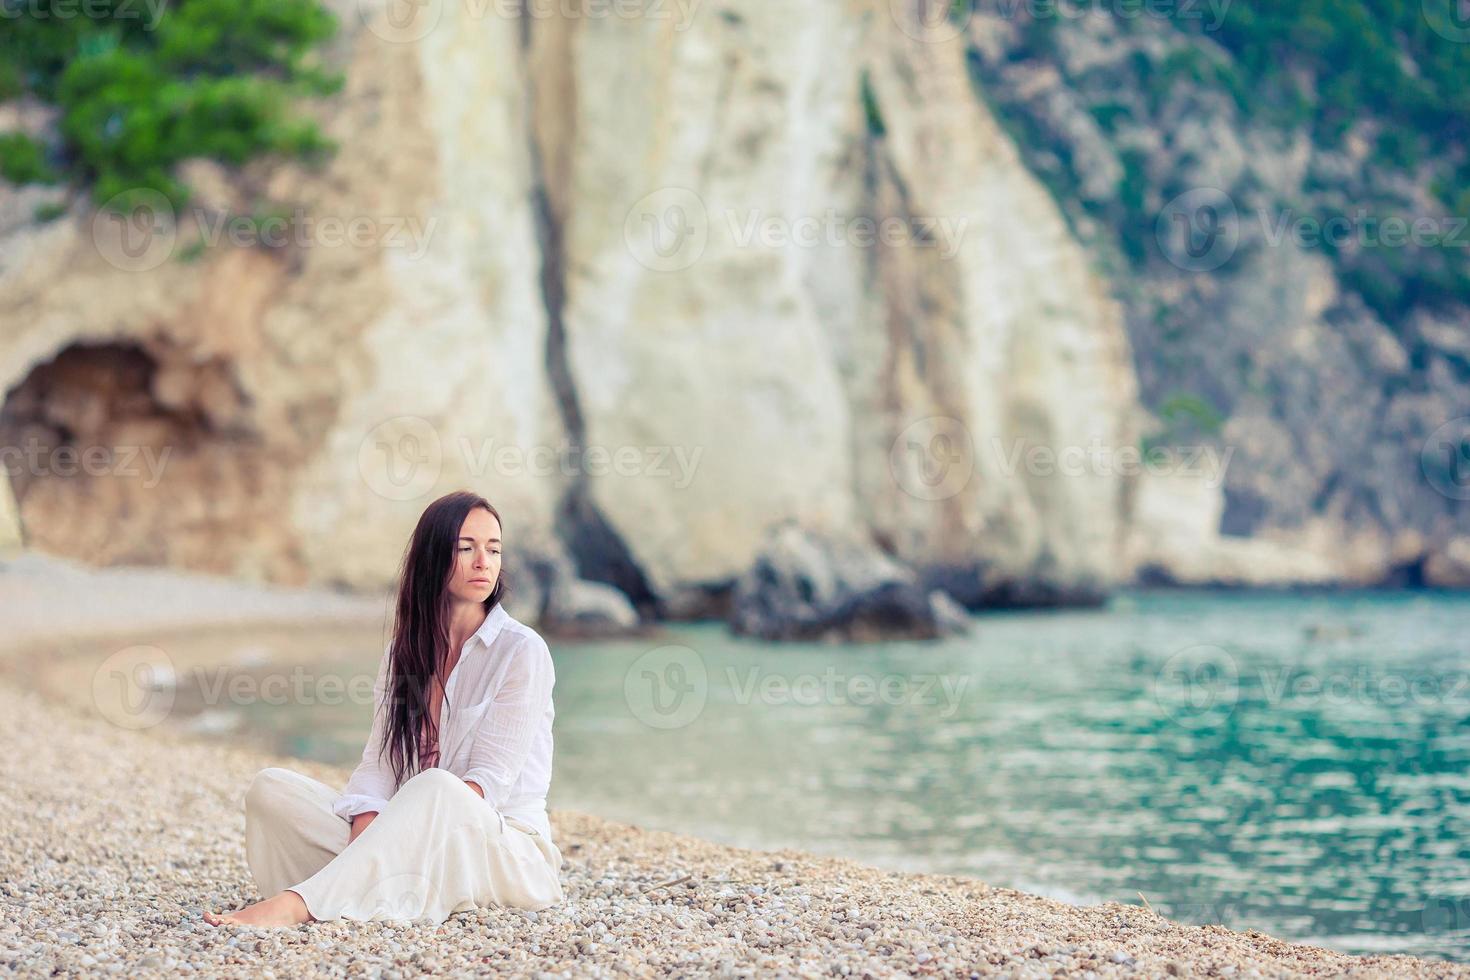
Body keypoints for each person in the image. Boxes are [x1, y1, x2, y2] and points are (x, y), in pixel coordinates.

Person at [204, 490, 564, 927]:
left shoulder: (521, 651)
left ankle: (300, 904)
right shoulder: (405, 652)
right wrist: (369, 842)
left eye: (493, 549)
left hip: (507, 854)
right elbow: (378, 766)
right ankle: (366, 889)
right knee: (272, 789)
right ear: (433, 557)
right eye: (466, 548)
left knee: (436, 786)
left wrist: (396, 836)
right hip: (418, 845)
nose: (483, 562)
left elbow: (488, 786)